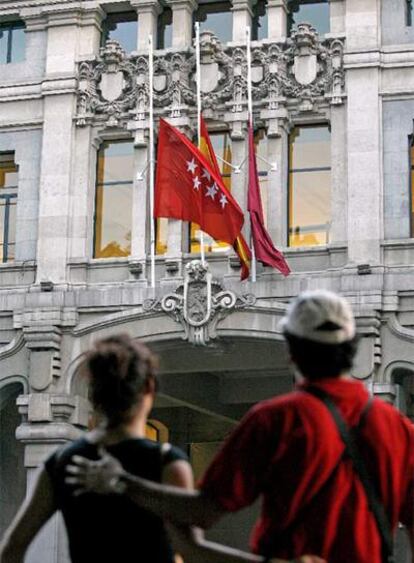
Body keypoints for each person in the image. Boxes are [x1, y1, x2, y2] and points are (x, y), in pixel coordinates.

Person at [64, 290, 414, 563]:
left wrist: (121, 481)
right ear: (352, 347)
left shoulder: (274, 420)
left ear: (291, 350)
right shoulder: (400, 429)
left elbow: (203, 510)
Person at [0, 333, 322, 563]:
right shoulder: (166, 462)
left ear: (94, 394)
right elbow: (194, 551)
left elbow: (14, 546)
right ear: (150, 388)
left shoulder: (62, 462)